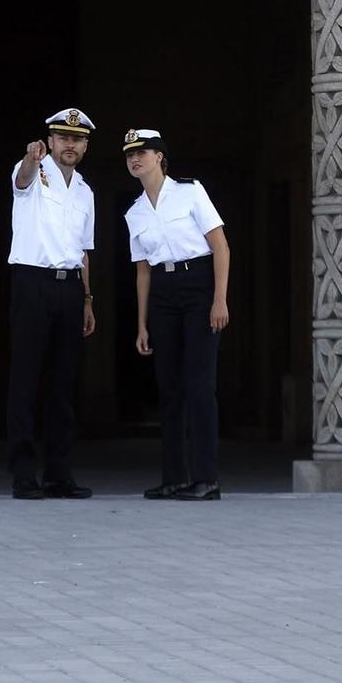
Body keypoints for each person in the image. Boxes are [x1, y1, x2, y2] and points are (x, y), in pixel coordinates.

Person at [123, 128, 229, 501]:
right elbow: (142, 271)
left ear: (160, 157)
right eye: (130, 155)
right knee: (169, 389)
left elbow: (220, 247)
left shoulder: (189, 191)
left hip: (198, 285)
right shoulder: (134, 212)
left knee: (200, 386)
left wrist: (220, 300)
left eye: (143, 152)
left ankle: (206, 478)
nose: (136, 159)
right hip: (163, 296)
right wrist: (141, 323)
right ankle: (174, 477)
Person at [5, 107, 98, 499]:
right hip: (32, 282)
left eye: (77, 139)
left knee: (64, 384)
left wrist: (89, 300)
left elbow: (84, 251)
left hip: (70, 287)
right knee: (26, 379)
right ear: (51, 140)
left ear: (85, 145)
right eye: (63, 138)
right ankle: (24, 474)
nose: (70, 144)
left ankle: (59, 474)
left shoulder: (86, 191)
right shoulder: (31, 171)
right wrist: (30, 157)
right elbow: (22, 180)